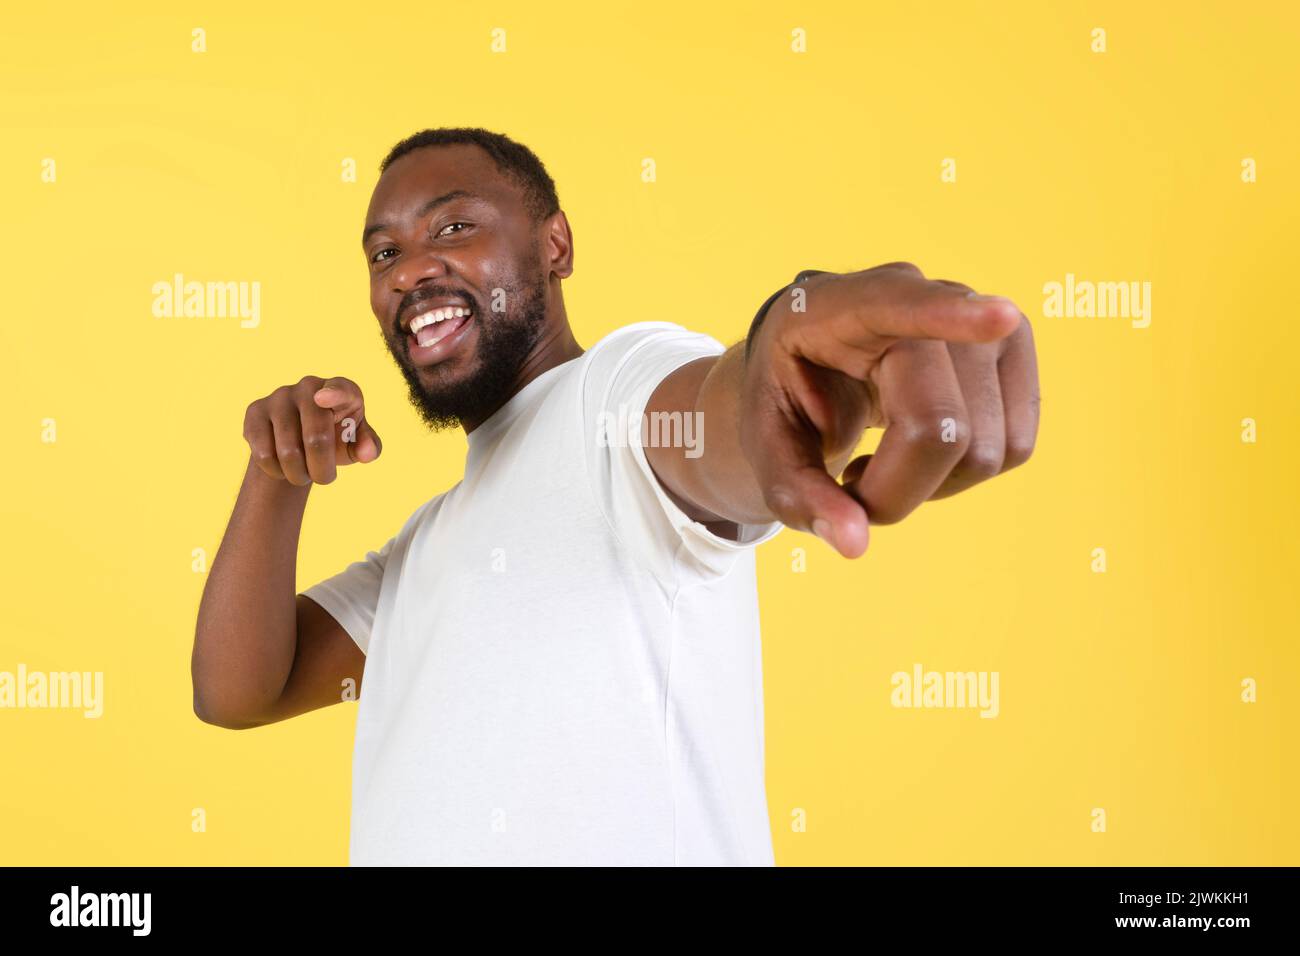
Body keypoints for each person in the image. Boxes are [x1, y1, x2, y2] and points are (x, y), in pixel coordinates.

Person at [191, 127, 1040, 865]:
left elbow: (712, 417)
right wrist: (277, 472)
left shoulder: (611, 394)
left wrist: (787, 353)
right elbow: (237, 690)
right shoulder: (424, 551)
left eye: (453, 226)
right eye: (384, 253)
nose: (411, 270)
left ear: (554, 244)